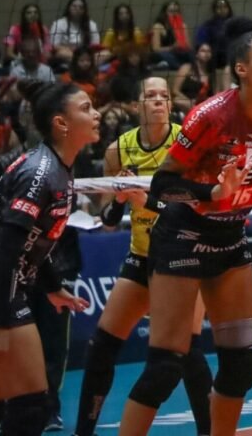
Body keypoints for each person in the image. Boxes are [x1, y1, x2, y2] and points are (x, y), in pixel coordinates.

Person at [115, 18, 252, 436]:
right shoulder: (211, 116)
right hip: (183, 233)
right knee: (166, 366)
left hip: (230, 238)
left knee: (241, 364)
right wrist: (210, 192)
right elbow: (162, 187)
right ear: (241, 68)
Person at [73, 78, 213, 436]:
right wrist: (119, 198)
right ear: (138, 105)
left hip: (184, 257)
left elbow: (198, 207)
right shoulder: (118, 150)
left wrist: (146, 200)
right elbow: (107, 219)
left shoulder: (186, 143)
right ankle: (83, 431)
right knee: (101, 346)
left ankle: (210, 432)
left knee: (188, 352)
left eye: (164, 96)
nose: (158, 102)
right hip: (142, 256)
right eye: (150, 95)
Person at [0, 82, 93, 436]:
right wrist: (3, 322)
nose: (96, 115)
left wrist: (52, 287)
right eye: (86, 108)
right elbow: (6, 248)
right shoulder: (40, 172)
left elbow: (34, 242)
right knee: (32, 407)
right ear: (61, 123)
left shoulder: (59, 167)